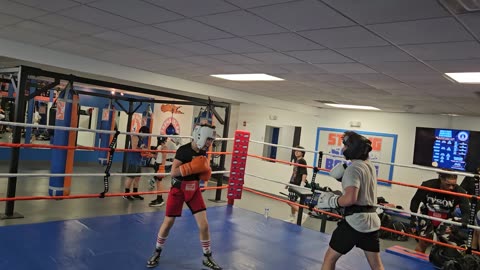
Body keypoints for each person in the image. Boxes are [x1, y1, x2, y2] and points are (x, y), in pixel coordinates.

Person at [146, 124, 222, 270]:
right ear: (200, 136)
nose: (209, 143)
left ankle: (207, 257)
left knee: (204, 225)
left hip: (193, 190)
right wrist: (190, 167)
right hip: (179, 189)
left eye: (211, 140)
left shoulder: (203, 152)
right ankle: (157, 252)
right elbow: (173, 172)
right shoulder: (183, 151)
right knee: (168, 223)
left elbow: (201, 172)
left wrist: (203, 173)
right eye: (208, 139)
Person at [314, 131, 384, 270]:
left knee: (330, 258)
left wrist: (332, 201)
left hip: (355, 222)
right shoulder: (368, 165)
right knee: (376, 265)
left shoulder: (353, 169)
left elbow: (351, 198)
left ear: (353, 148)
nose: (343, 149)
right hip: (371, 221)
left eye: (345, 146)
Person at [410, 172, 470, 253]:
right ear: (441, 179)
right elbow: (415, 201)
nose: (451, 187)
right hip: (428, 215)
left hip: (446, 219)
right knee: (423, 242)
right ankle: (415, 262)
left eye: (453, 185)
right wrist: (413, 219)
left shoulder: (459, 191)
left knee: (448, 246)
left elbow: (467, 213)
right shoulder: (428, 185)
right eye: (448, 184)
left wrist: (455, 227)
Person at [123, 126, 149, 201]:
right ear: (142, 132)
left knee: (137, 178)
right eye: (146, 134)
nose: (146, 136)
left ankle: (135, 193)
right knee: (130, 178)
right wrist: (142, 149)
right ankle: (126, 194)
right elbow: (134, 148)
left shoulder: (141, 138)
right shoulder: (135, 136)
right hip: (133, 160)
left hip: (138, 160)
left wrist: (144, 148)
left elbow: (139, 148)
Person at [284, 146, 308, 223]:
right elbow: (294, 173)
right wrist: (289, 182)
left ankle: (302, 214)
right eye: (296, 151)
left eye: (299, 151)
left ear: (302, 153)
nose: (296, 152)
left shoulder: (302, 161)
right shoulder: (297, 161)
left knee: (289, 201)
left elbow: (304, 173)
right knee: (292, 201)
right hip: (293, 183)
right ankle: (292, 217)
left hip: (297, 184)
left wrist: (302, 184)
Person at [460, 166, 480, 251]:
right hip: (472, 207)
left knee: (477, 229)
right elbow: (462, 191)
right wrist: (467, 203)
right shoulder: (471, 177)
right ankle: (474, 252)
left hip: (478, 211)